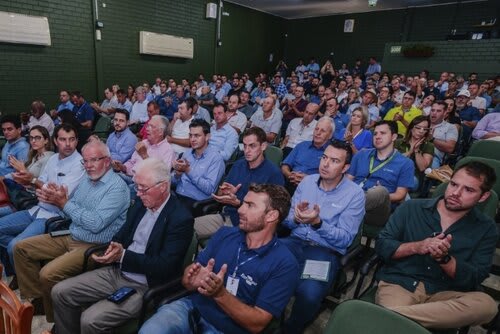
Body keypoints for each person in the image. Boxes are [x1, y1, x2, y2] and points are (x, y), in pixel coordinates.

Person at [50, 158, 194, 334]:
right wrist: (114, 248)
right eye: (137, 187)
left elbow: (165, 266)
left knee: (90, 320)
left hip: (145, 285)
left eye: (143, 188)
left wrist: (123, 256)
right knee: (60, 292)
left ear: (163, 186)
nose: (138, 193)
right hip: (118, 270)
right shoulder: (141, 204)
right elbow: (123, 233)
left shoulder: (180, 218)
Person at [139, 184, 299, 334]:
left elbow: (257, 323)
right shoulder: (225, 234)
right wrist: (191, 279)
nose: (240, 210)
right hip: (191, 308)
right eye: (243, 203)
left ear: (271, 215)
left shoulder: (285, 264)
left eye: (250, 205)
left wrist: (220, 294)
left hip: (228, 328)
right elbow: (189, 280)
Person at [13, 140, 130, 322]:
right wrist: (56, 199)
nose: (89, 166)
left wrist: (64, 203)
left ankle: (56, 321)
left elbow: (95, 223)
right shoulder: (87, 180)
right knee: (21, 248)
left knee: (48, 274)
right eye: (85, 161)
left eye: (94, 160)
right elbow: (69, 211)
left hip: (95, 245)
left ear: (107, 161)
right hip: (72, 234)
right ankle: (40, 301)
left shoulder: (117, 188)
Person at [375, 161, 498, 329]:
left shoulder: (486, 228)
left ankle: (390, 316)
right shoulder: (411, 208)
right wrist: (418, 247)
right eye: (453, 184)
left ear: (483, 196)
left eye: (468, 190)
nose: (456, 193)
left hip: (445, 295)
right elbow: (382, 246)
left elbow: (475, 276)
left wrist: (445, 260)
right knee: (394, 323)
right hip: (401, 283)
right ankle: (399, 319)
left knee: (487, 305)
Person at [281, 140, 365, 333]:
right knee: (262, 264)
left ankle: (290, 330)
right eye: (324, 157)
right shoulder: (308, 181)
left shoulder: (355, 194)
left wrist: (318, 223)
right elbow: (287, 221)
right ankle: (266, 318)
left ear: (345, 167)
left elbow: (345, 239)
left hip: (323, 251)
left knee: (309, 294)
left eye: (334, 161)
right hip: (295, 241)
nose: (325, 164)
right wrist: (296, 217)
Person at [0, 123, 85, 276]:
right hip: (37, 208)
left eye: (71, 139)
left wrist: (34, 182)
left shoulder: (79, 164)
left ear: (77, 141)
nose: (67, 144)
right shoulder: (53, 159)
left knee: (15, 245)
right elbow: (42, 187)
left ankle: (27, 282)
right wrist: (37, 185)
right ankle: (19, 270)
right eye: (63, 139)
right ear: (56, 140)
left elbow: (58, 196)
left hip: (54, 216)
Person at [194, 127, 284, 240]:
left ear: (263, 146)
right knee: (184, 228)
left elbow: (273, 213)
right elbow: (220, 192)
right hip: (226, 216)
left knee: (220, 249)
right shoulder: (238, 165)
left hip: (249, 227)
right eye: (245, 146)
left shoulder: (273, 174)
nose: (247, 150)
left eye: (252, 146)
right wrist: (224, 192)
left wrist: (238, 203)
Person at [347, 120, 415, 228]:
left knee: (379, 191)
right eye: (375, 134)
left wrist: (381, 196)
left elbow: (400, 195)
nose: (377, 136)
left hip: (378, 210)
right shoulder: (361, 155)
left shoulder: (405, 163)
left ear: (393, 137)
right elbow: (348, 179)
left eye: (382, 133)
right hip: (353, 198)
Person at [0, 126, 55, 218]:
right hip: (19, 195)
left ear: (46, 140)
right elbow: (21, 176)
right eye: (31, 138)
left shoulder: (49, 158)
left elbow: (42, 185)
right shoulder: (34, 157)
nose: (33, 141)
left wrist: (23, 172)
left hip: (29, 200)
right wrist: (5, 177)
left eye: (37, 138)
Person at [172, 119, 225, 209]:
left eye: (197, 136)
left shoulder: (216, 159)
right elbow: (173, 181)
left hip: (194, 202)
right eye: (191, 135)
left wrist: (188, 171)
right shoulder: (187, 153)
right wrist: (177, 174)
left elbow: (209, 189)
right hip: (177, 196)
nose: (192, 139)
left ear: (207, 137)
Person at [281, 117, 334, 193]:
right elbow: (285, 166)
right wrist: (290, 175)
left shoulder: (332, 153)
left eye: (323, 131)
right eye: (316, 129)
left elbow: (330, 179)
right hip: (290, 183)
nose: (318, 133)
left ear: (330, 135)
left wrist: (308, 180)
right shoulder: (302, 145)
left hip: (314, 189)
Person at [395, 116, 434, 191]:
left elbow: (422, 168)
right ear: (411, 128)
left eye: (425, 129)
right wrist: (410, 151)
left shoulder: (429, 146)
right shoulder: (398, 142)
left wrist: (416, 150)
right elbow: (394, 161)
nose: (421, 131)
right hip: (395, 172)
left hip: (413, 177)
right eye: (418, 128)